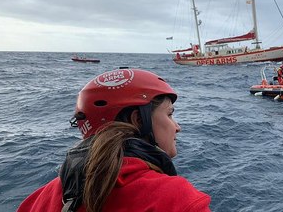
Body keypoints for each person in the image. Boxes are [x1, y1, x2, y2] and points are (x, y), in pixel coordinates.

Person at [18, 68, 211, 212]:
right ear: (138, 120)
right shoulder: (181, 201)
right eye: (169, 115)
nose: (177, 127)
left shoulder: (39, 199)